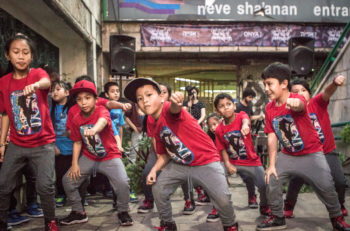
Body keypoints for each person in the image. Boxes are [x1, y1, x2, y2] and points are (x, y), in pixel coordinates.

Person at [124, 78, 239, 231]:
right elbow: (164, 154)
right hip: (180, 164)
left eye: (149, 95)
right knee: (159, 189)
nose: (144, 101)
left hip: (206, 161)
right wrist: (153, 170)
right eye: (139, 98)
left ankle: (230, 225)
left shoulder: (167, 109)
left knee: (223, 200)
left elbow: (174, 110)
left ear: (161, 97)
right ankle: (168, 223)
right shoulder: (152, 121)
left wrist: (177, 102)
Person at [256, 62, 350, 231]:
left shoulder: (297, 99)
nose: (266, 88)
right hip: (288, 155)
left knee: (327, 187)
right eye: (265, 84)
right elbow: (271, 136)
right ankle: (278, 217)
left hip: (311, 154)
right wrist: (270, 165)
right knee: (272, 180)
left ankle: (337, 218)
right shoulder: (270, 108)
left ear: (284, 84)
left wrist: (294, 105)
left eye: (269, 83)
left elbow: (300, 105)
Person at [0, 33, 58, 231]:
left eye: (26, 52)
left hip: (43, 144)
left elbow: (46, 83)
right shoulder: (3, 82)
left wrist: (34, 85)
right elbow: (6, 114)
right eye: (16, 52)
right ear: (8, 55)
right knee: (3, 185)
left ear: (31, 56)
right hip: (16, 144)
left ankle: (50, 222)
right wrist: (2, 143)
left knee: (45, 186)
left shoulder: (37, 74)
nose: (21, 56)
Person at [59, 80, 133, 226]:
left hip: (110, 156)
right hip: (89, 156)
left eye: (87, 98)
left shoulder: (101, 110)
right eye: (79, 99)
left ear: (95, 99)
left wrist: (94, 130)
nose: (83, 102)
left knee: (123, 183)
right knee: (67, 181)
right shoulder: (76, 118)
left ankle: (123, 211)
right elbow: (77, 142)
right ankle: (78, 212)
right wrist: (74, 164)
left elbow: (103, 121)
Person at [284, 77, 348, 218]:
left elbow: (327, 92)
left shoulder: (317, 103)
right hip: (305, 154)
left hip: (326, 151)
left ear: (309, 93)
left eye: (304, 90)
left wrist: (334, 83)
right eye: (296, 91)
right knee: (295, 180)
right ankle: (288, 204)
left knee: (340, 182)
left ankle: (340, 203)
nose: (300, 93)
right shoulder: (289, 111)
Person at [137, 83, 196, 215]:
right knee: (148, 171)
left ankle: (189, 200)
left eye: (164, 92)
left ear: (167, 95)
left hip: (179, 149)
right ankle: (148, 200)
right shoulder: (151, 115)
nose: (162, 94)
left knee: (184, 173)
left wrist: (178, 102)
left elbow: (176, 108)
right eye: (159, 92)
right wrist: (158, 156)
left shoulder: (172, 109)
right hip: (160, 149)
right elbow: (153, 138)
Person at [214, 93, 270, 217]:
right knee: (215, 180)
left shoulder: (241, 116)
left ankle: (265, 205)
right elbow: (222, 149)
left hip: (250, 160)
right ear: (217, 110)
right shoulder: (219, 129)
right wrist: (227, 164)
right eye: (222, 106)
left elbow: (246, 119)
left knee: (264, 184)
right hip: (232, 160)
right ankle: (218, 208)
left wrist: (245, 125)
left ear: (234, 105)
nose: (226, 107)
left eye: (229, 104)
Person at [235, 88, 264, 208]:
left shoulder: (249, 105)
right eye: (250, 97)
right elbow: (244, 118)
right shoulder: (238, 107)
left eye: (252, 97)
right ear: (245, 96)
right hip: (236, 140)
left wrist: (257, 118)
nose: (251, 99)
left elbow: (248, 118)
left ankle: (252, 196)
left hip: (246, 139)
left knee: (248, 173)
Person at [50, 81, 74, 207]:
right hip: (58, 149)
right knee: (60, 174)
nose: (54, 92)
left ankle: (79, 196)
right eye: (52, 90)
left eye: (58, 89)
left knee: (75, 174)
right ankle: (61, 195)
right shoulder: (50, 110)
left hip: (73, 148)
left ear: (67, 93)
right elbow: (47, 130)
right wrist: (53, 145)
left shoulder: (73, 109)